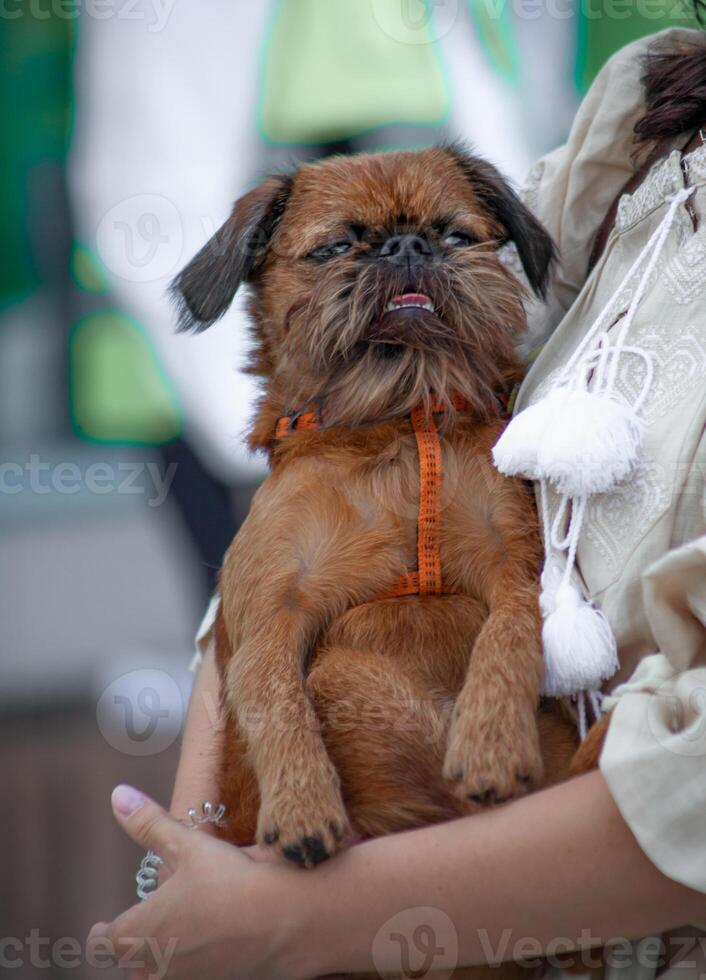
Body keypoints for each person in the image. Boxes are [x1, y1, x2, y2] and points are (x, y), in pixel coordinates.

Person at [88, 26, 706, 980]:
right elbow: (248, 616)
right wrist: (204, 850)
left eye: (448, 242)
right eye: (349, 250)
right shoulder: (648, 102)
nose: (408, 264)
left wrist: (286, 919)